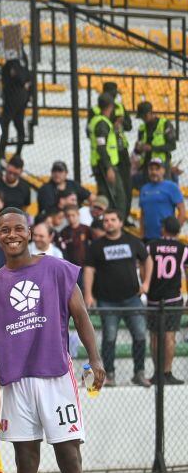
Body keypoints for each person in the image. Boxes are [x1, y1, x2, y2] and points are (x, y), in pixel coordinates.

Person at [0, 208, 103, 473]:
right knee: (26, 460)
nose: (12, 235)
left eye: (18, 228)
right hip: (15, 379)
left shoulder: (55, 268)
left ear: (30, 232)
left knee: (70, 456)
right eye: (4, 229)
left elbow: (81, 315)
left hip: (55, 375)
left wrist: (96, 359)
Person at [84, 208, 150, 388]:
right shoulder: (96, 246)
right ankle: (110, 375)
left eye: (113, 220)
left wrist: (146, 284)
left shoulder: (132, 241)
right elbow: (89, 270)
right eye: (106, 220)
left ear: (121, 222)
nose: (109, 223)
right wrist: (88, 294)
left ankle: (139, 372)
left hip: (132, 298)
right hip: (107, 300)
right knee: (109, 338)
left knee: (140, 335)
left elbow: (147, 259)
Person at [145, 216, 188, 386]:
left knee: (155, 337)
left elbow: (143, 270)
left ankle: (157, 373)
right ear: (178, 231)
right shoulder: (183, 249)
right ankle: (167, 372)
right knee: (170, 337)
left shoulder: (150, 246)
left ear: (163, 229)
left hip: (154, 298)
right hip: (173, 297)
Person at [88, 92, 128, 216]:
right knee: (117, 197)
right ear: (110, 107)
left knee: (108, 196)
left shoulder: (98, 121)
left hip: (102, 165)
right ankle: (117, 223)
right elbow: (102, 146)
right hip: (105, 166)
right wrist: (109, 167)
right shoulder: (102, 123)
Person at [138, 157, 185, 240]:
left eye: (157, 169)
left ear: (163, 170)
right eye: (151, 169)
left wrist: (174, 232)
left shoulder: (172, 187)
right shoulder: (144, 189)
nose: (154, 172)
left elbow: (182, 211)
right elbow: (143, 214)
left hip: (166, 238)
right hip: (148, 238)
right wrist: (141, 233)